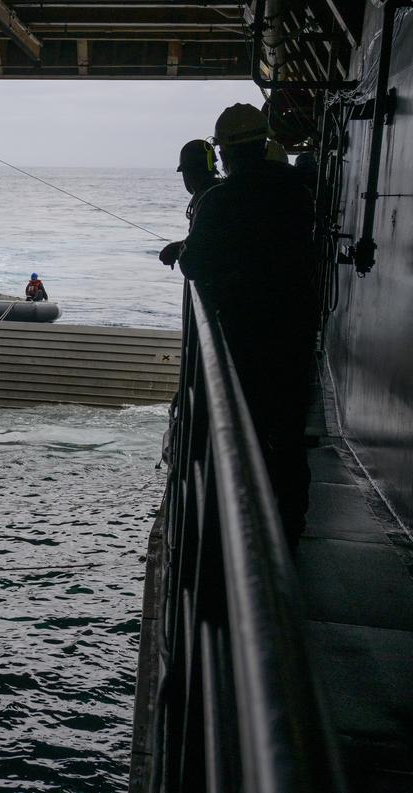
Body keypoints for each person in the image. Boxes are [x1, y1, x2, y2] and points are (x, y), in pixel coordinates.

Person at [177, 102, 318, 544]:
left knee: (244, 431)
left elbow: (195, 265)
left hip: (245, 336)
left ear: (226, 154)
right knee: (289, 433)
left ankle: (244, 529)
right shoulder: (298, 190)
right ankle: (291, 526)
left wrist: (186, 251)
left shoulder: (221, 200)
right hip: (295, 331)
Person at [159, 140, 221, 269]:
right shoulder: (219, 192)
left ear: (189, 172)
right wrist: (180, 247)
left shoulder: (210, 199)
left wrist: (177, 250)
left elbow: (199, 254)